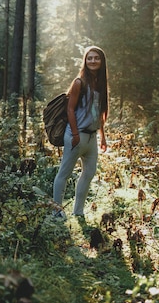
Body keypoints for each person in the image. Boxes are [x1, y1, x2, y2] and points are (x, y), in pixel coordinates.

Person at [52, 46, 109, 219]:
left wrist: (103, 136)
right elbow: (70, 109)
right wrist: (75, 135)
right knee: (64, 173)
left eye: (96, 58)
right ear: (85, 60)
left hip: (91, 137)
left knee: (89, 173)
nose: (93, 61)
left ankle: (78, 211)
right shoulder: (79, 82)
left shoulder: (100, 84)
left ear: (102, 61)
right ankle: (57, 212)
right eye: (90, 58)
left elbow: (99, 113)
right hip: (76, 135)